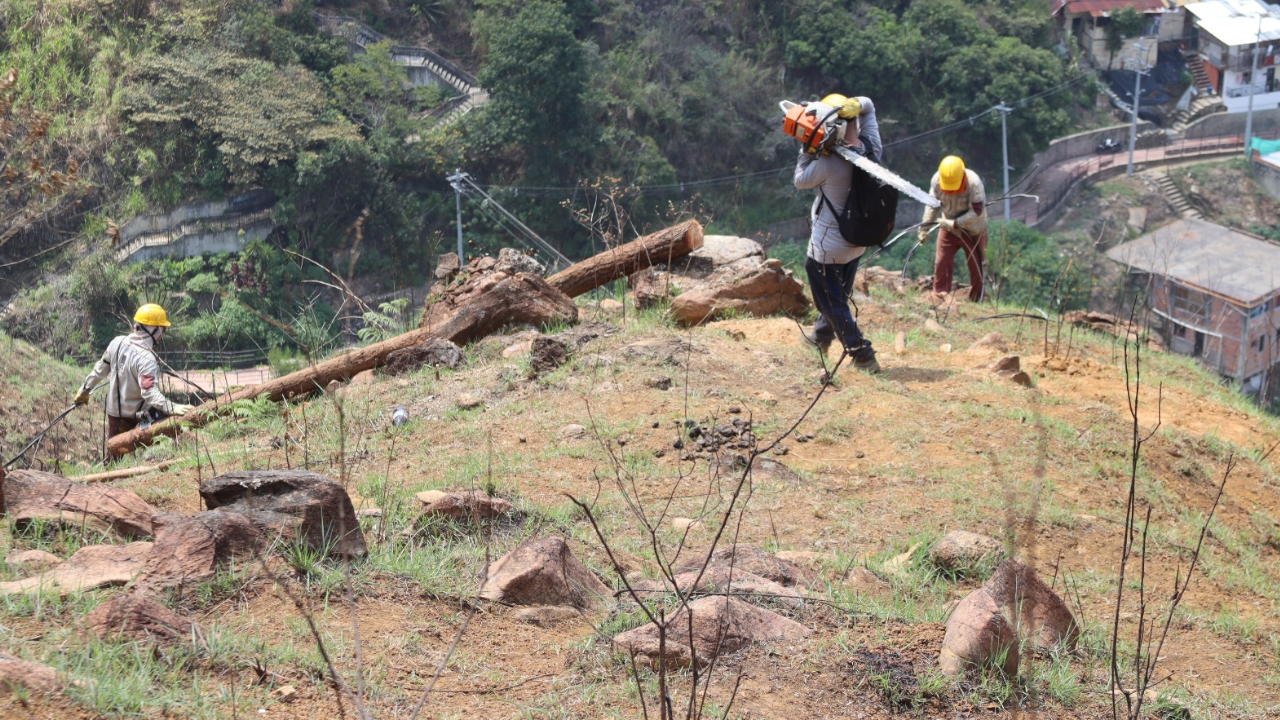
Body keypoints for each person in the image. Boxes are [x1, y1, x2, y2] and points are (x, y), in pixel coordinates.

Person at [794, 93, 881, 373]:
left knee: (828, 300)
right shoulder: (872, 150)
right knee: (838, 296)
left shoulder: (829, 164)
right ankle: (820, 337)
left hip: (827, 249)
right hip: (857, 242)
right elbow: (869, 107)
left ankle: (862, 354)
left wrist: (807, 146)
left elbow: (799, 180)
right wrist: (855, 104)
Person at [73, 303, 194, 437]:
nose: (162, 334)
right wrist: (172, 408)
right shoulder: (147, 359)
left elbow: (99, 370)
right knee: (165, 436)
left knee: (114, 453)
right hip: (137, 416)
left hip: (114, 414)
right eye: (163, 329)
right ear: (156, 330)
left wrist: (84, 390)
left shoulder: (116, 343)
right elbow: (149, 393)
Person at [919, 155, 988, 303]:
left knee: (977, 266)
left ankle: (977, 299)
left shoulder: (974, 184)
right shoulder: (937, 181)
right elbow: (932, 205)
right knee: (941, 262)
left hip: (973, 230)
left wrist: (955, 223)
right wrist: (924, 228)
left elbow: (977, 212)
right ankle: (940, 297)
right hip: (948, 227)